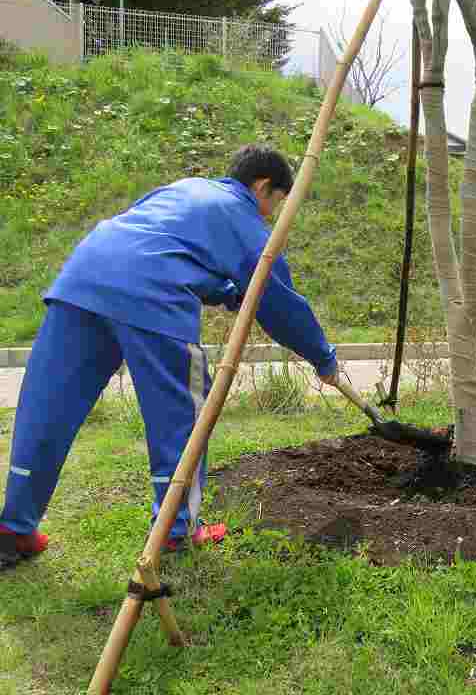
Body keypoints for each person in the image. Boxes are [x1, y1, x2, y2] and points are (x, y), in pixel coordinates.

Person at [0, 145, 340, 570]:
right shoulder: (245, 219)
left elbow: (164, 248)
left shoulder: (186, 190)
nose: (273, 215)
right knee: (181, 417)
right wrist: (322, 358)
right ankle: (177, 531)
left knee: (47, 408)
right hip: (151, 298)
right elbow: (279, 302)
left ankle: (14, 527)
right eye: (277, 203)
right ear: (262, 187)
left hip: (81, 281)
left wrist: (228, 293)